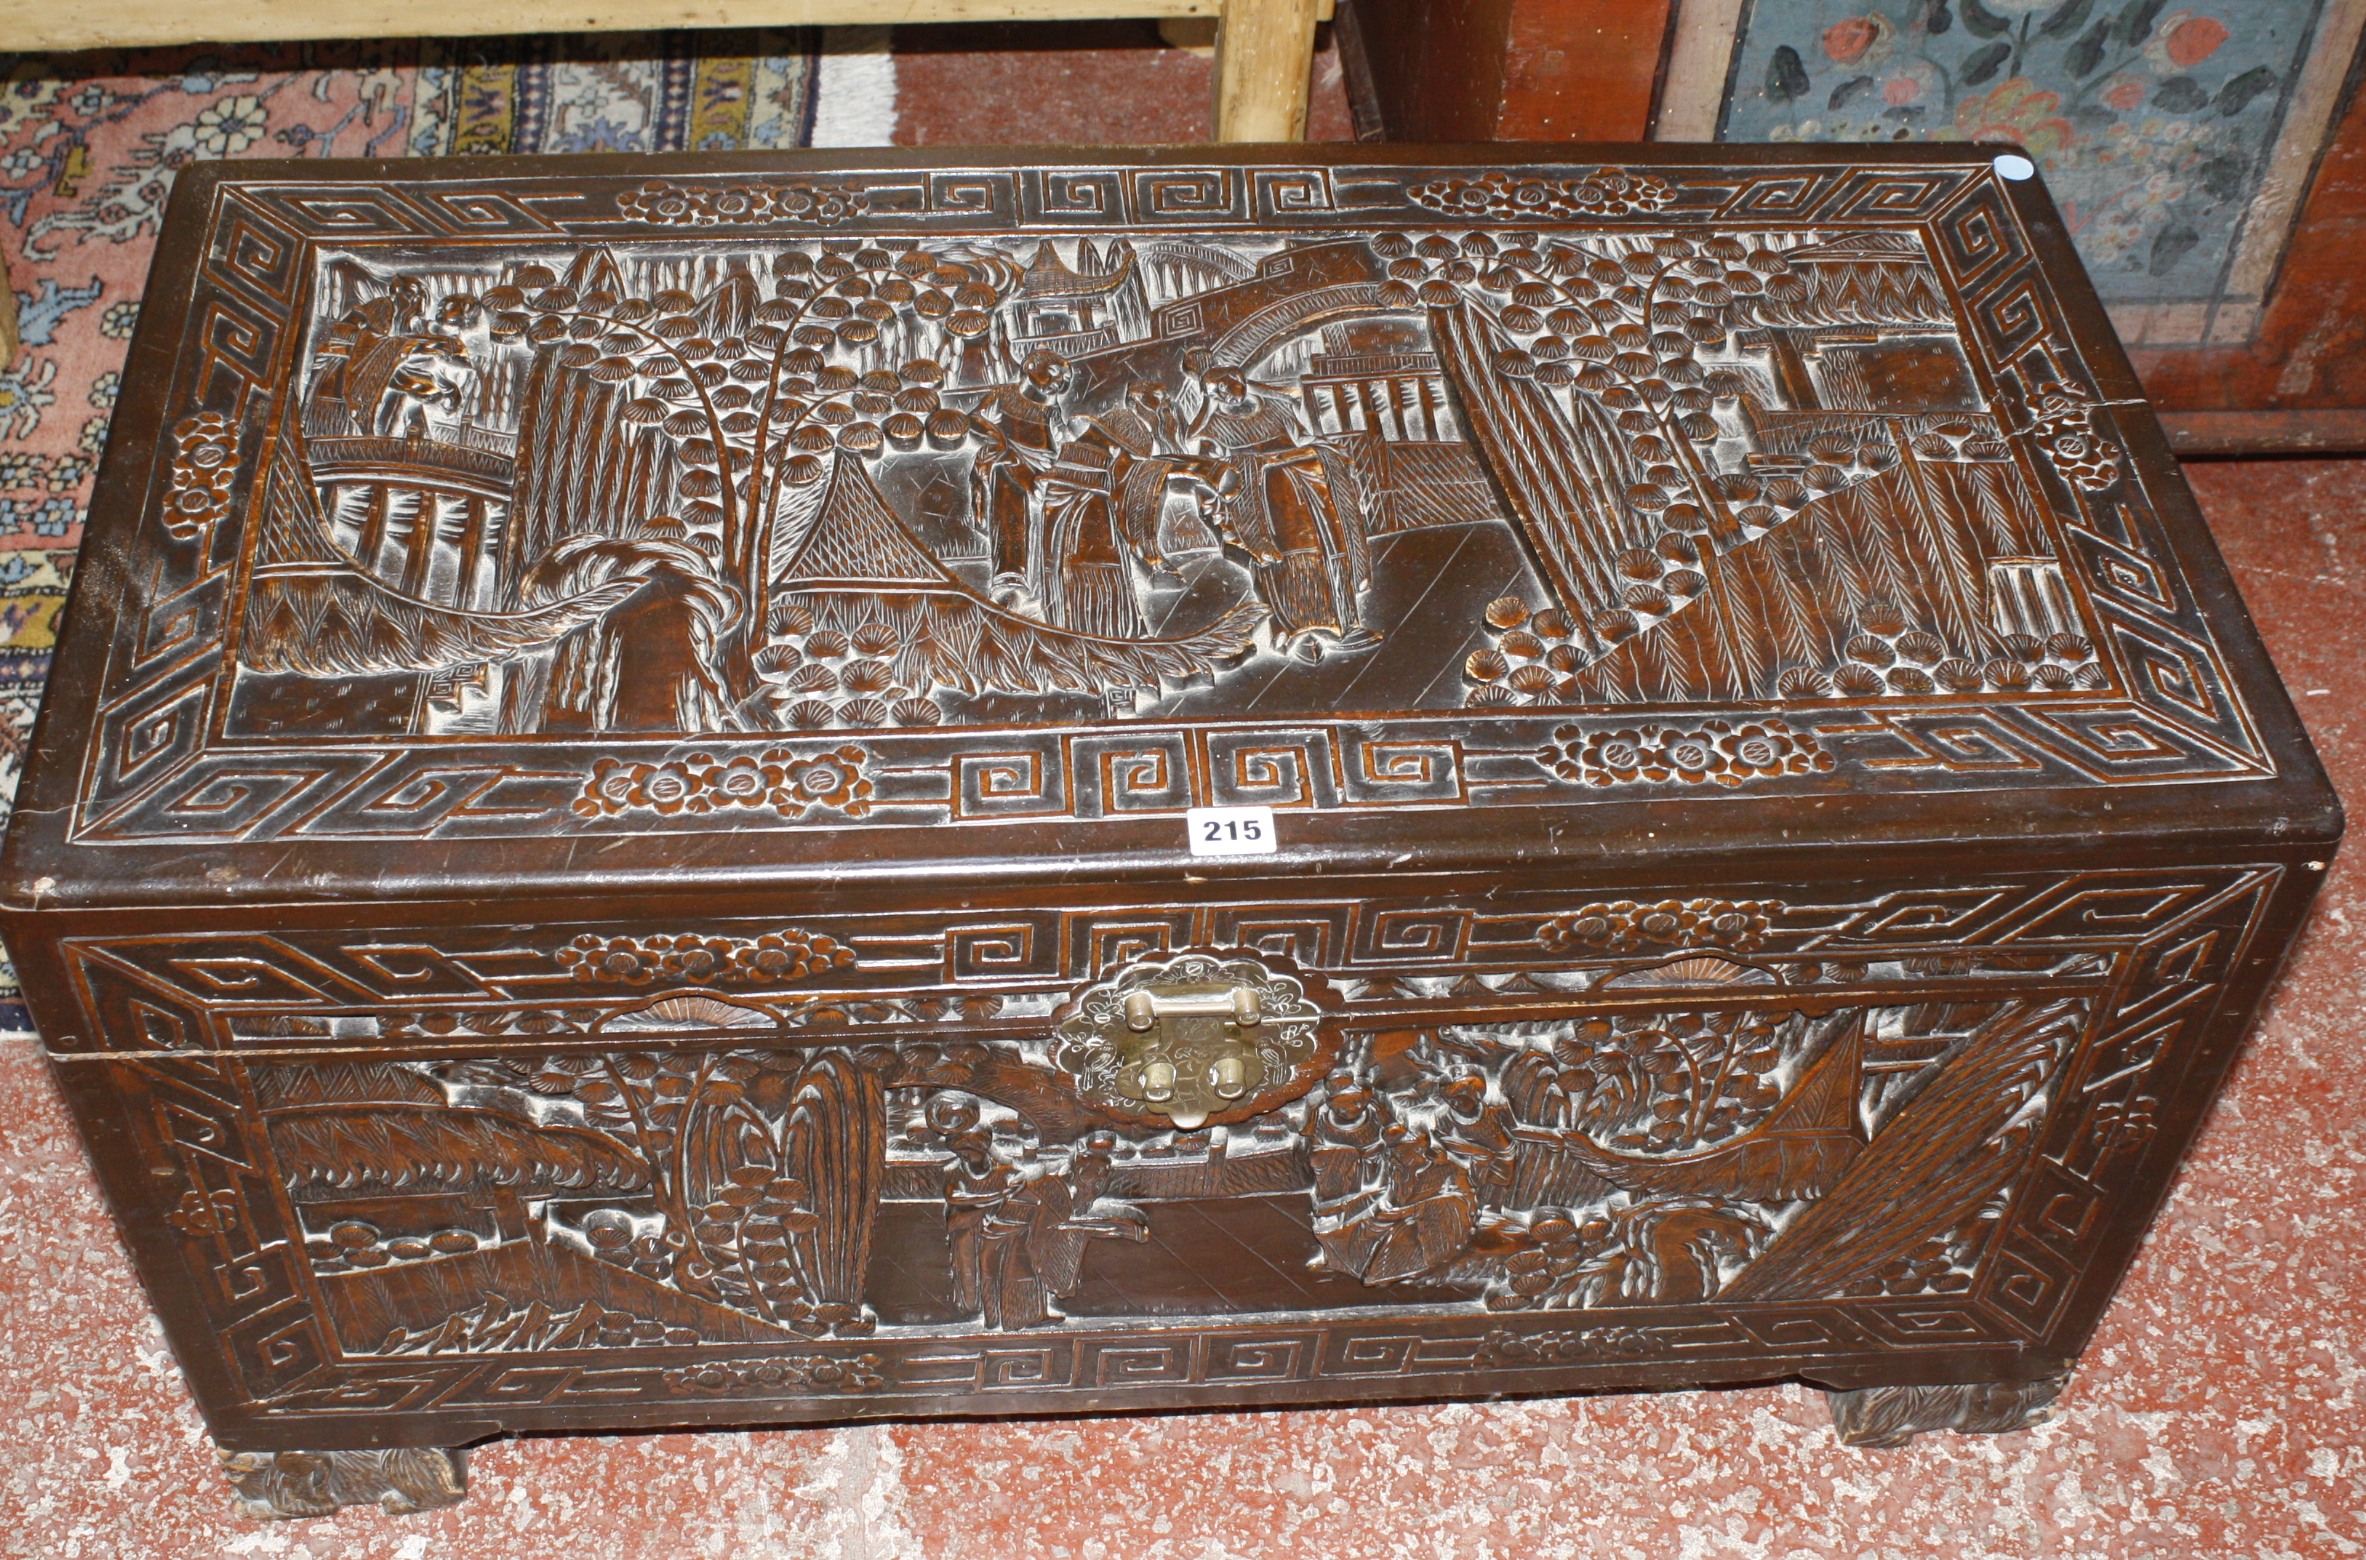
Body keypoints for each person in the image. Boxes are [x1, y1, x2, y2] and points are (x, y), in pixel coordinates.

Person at [1187, 365, 1376, 659]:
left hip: (1307, 494)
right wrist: (1259, 464)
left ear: (1239, 380)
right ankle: (1295, 632)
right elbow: (1211, 474)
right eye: (1216, 395)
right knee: (1280, 564)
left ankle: (1344, 625)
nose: (1225, 397)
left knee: (1329, 552)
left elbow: (1305, 439)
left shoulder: (1276, 408)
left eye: (1226, 387)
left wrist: (1318, 453)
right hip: (1262, 506)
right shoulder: (1213, 429)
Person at [1034, 381, 1233, 637]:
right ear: (1133, 401)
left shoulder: (1145, 429)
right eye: (1155, 400)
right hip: (1079, 494)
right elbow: (1136, 472)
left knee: (1106, 566)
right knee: (1094, 566)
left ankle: (1119, 628)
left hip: (1092, 491)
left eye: (1167, 400)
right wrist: (1199, 469)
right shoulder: (1124, 420)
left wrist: (1196, 468)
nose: (1164, 406)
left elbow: (1137, 471)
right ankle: (1100, 631)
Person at [965, 350, 1073, 610]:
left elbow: (1061, 439)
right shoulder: (1004, 395)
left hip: (1045, 466)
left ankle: (1055, 582)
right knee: (1008, 484)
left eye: (1065, 377)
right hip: (1010, 458)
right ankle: (1010, 579)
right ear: (1031, 367)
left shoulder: (1052, 408)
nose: (1062, 381)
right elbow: (975, 419)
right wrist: (1000, 440)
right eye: (1055, 372)